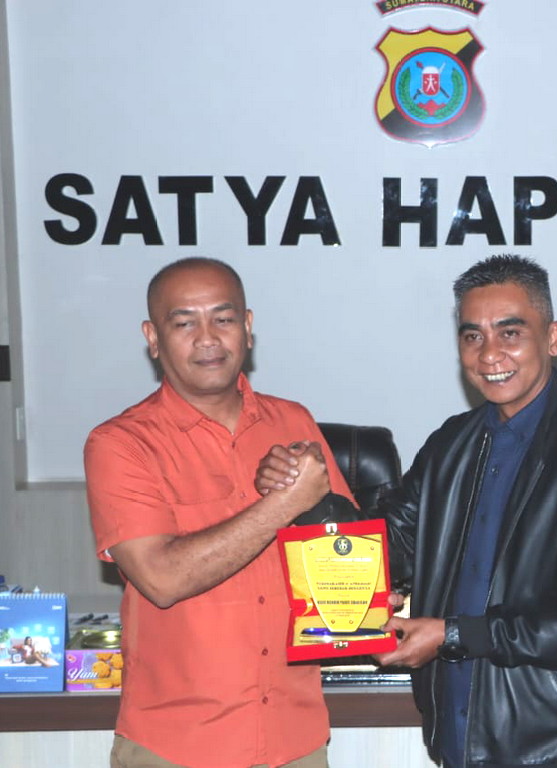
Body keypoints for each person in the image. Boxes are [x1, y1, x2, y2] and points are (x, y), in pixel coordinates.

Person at [262, 254, 557, 768]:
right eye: (472, 336)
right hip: (457, 742)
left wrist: (452, 635)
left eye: (510, 333)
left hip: (555, 750)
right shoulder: (452, 445)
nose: (489, 354)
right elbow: (390, 547)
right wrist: (308, 497)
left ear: (553, 338)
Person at [85, 257, 355, 768]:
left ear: (247, 327)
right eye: (184, 323)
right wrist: (281, 505)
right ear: (153, 337)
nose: (208, 338)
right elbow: (162, 578)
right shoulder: (120, 444)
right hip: (177, 746)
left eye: (223, 319)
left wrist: (363, 577)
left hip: (294, 739)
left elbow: (347, 560)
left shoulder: (293, 421)